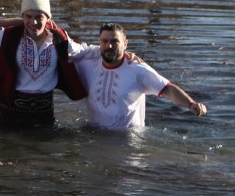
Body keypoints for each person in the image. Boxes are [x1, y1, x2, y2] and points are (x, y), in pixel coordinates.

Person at [71, 23, 206, 129]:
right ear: (99, 42)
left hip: (129, 141)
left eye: (115, 41)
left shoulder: (138, 70)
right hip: (96, 137)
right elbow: (64, 50)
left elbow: (168, 89)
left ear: (125, 44)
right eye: (104, 41)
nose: (109, 46)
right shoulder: (86, 64)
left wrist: (191, 104)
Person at [0, 0, 86, 124]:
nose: (33, 22)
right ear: (22, 17)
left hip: (45, 115)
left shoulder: (60, 39)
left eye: (39, 17)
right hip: (10, 115)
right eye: (28, 16)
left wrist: (122, 55)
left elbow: (86, 51)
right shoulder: (8, 37)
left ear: (48, 18)